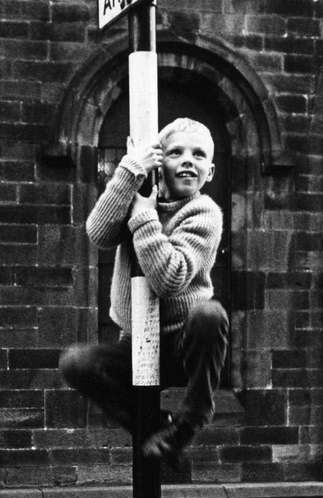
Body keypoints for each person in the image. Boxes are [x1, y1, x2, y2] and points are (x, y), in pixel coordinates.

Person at [59, 117, 229, 467]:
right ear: (158, 162)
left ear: (209, 173)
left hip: (184, 343)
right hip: (137, 339)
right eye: (176, 152)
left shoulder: (204, 212)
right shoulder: (138, 198)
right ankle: (152, 431)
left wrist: (144, 219)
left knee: (210, 315)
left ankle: (188, 423)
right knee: (77, 363)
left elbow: (171, 278)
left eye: (198, 155)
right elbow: (99, 233)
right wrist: (129, 172)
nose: (187, 160)